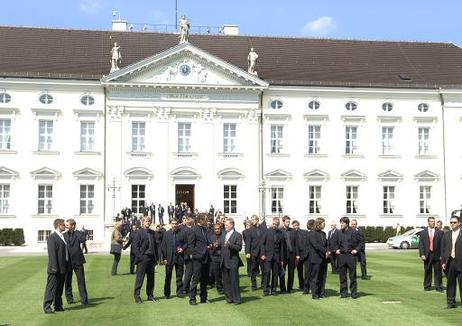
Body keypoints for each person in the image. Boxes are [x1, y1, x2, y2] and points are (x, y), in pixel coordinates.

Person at [331, 216, 363, 299]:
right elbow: (332, 243)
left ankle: (353, 293)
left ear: (347, 224)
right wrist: (335, 250)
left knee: (352, 276)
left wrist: (356, 250)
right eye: (340, 223)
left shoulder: (354, 232)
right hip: (341, 256)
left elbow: (361, 242)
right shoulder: (338, 232)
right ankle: (344, 293)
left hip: (351, 256)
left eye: (342, 223)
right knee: (342, 276)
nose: (341, 224)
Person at [43, 218, 68, 314]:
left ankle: (58, 305)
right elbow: (52, 254)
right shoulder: (52, 237)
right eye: (63, 225)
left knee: (59, 287)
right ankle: (47, 306)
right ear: (58, 225)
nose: (65, 226)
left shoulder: (62, 236)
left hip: (62, 266)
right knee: (51, 287)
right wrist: (54, 267)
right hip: (55, 267)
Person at [188, 213, 211, 305]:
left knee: (205, 279)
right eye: (206, 220)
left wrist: (210, 246)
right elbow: (190, 246)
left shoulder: (205, 230)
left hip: (206, 258)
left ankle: (203, 298)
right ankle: (192, 298)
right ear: (201, 220)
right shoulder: (193, 230)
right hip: (198, 259)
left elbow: (206, 242)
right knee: (196, 279)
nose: (207, 221)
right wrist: (197, 255)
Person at [133, 217, 158, 303]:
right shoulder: (139, 232)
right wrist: (140, 257)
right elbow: (135, 246)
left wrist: (156, 259)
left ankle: (150, 295)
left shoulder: (153, 233)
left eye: (149, 221)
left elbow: (155, 246)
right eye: (146, 221)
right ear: (143, 223)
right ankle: (137, 296)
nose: (147, 222)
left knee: (151, 279)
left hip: (151, 258)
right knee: (140, 278)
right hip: (143, 258)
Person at [64, 219, 88, 305]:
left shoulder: (78, 234)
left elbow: (83, 239)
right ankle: (69, 299)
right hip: (67, 261)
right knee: (67, 281)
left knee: (81, 280)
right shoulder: (64, 235)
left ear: (72, 226)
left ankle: (84, 299)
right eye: (65, 225)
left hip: (77, 260)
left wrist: (82, 231)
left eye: (67, 225)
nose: (66, 226)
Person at [220, 218, 243, 305]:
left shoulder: (237, 235)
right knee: (226, 281)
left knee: (234, 281)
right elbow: (221, 245)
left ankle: (236, 299)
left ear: (232, 225)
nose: (225, 226)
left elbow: (239, 247)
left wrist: (231, 245)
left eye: (226, 224)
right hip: (224, 261)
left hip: (233, 261)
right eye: (225, 224)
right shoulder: (224, 234)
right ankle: (229, 298)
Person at [161, 219, 186, 298]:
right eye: (173, 223)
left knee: (179, 276)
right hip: (169, 258)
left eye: (176, 224)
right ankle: (166, 294)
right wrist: (164, 258)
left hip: (179, 257)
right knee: (168, 276)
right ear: (170, 224)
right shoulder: (166, 234)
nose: (174, 225)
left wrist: (182, 248)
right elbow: (163, 247)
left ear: (178, 224)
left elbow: (186, 243)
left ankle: (179, 292)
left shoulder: (182, 233)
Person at [441, 215, 462, 308]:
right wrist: (443, 262)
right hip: (450, 262)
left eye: (454, 222)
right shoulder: (446, 234)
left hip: (461, 262)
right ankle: (451, 302)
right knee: (450, 283)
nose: (452, 224)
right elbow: (443, 249)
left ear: (459, 223)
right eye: (451, 222)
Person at [419, 216, 444, 292]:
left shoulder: (439, 232)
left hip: (437, 254)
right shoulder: (423, 232)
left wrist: (442, 255)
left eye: (434, 221)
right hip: (427, 254)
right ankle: (427, 286)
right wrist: (422, 254)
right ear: (428, 222)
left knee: (438, 271)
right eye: (431, 221)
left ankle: (438, 287)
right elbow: (421, 244)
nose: (433, 223)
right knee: (427, 270)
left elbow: (442, 245)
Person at [261, 217, 284, 296]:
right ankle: (266, 290)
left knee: (275, 274)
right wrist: (263, 254)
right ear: (272, 223)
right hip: (267, 256)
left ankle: (273, 289)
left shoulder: (280, 234)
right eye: (274, 224)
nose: (275, 225)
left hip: (277, 257)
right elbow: (262, 244)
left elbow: (282, 247)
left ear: (278, 224)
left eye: (276, 224)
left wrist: (281, 259)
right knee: (267, 273)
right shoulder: (267, 232)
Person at [308, 218, 328, 299]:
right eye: (323, 223)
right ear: (319, 224)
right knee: (315, 277)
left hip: (324, 258)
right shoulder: (312, 233)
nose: (324, 224)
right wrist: (325, 251)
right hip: (316, 258)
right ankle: (315, 294)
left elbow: (326, 244)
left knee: (322, 276)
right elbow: (316, 245)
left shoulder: (323, 233)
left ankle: (321, 292)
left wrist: (328, 250)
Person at [245, 215, 264, 290]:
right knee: (253, 269)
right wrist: (247, 252)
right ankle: (254, 285)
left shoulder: (263, 229)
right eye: (251, 220)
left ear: (257, 220)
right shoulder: (250, 230)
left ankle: (263, 284)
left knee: (263, 269)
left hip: (262, 252)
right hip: (253, 252)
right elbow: (248, 242)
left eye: (254, 220)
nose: (252, 221)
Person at [281, 215, 296, 293]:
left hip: (291, 254)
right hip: (283, 254)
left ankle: (289, 288)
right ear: (283, 222)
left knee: (291, 272)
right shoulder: (280, 231)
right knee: (282, 272)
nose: (288, 223)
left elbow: (296, 243)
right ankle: (283, 289)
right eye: (287, 222)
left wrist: (297, 254)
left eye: (289, 222)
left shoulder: (292, 231)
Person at [295, 220, 310, 294]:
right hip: (298, 255)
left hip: (306, 254)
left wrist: (306, 253)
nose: (295, 227)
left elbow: (308, 243)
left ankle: (307, 285)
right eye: (294, 225)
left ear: (299, 225)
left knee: (307, 272)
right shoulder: (293, 233)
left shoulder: (304, 232)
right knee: (299, 271)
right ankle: (301, 285)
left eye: (296, 225)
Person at [209, 223, 224, 294]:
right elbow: (209, 248)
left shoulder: (224, 236)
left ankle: (225, 287)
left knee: (224, 274)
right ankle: (219, 288)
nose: (217, 230)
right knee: (217, 274)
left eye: (218, 229)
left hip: (223, 256)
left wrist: (219, 244)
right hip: (215, 257)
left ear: (220, 229)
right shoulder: (211, 237)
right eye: (215, 229)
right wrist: (213, 246)